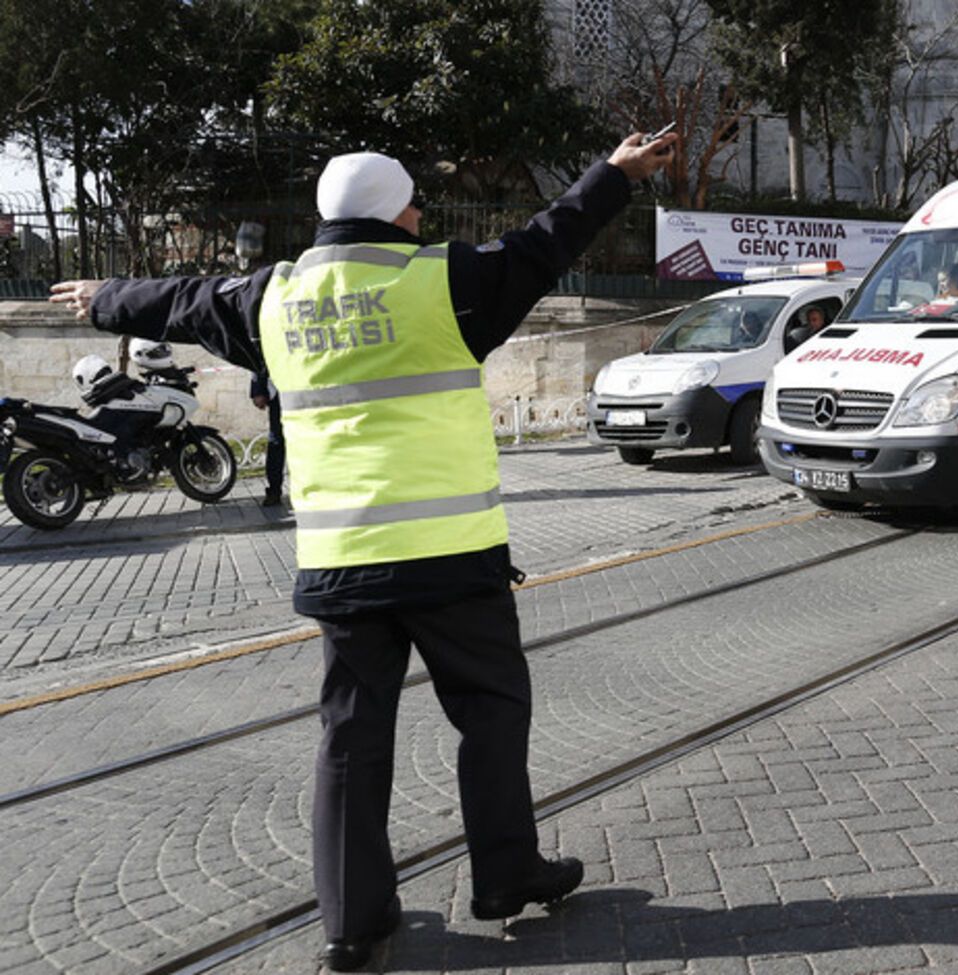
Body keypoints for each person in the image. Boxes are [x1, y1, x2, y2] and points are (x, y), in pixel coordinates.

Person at [50, 129, 677, 971]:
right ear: (393, 210)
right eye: (415, 199)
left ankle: (352, 919)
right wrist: (616, 173)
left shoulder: (271, 296)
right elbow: (550, 237)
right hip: (453, 556)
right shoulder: (448, 279)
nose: (422, 211)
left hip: (342, 562)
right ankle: (505, 875)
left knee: (350, 736)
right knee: (490, 713)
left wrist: (102, 298)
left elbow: (183, 299)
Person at [249, 370, 285, 507]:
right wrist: (258, 390)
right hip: (281, 393)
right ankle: (274, 491)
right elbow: (258, 361)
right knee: (277, 440)